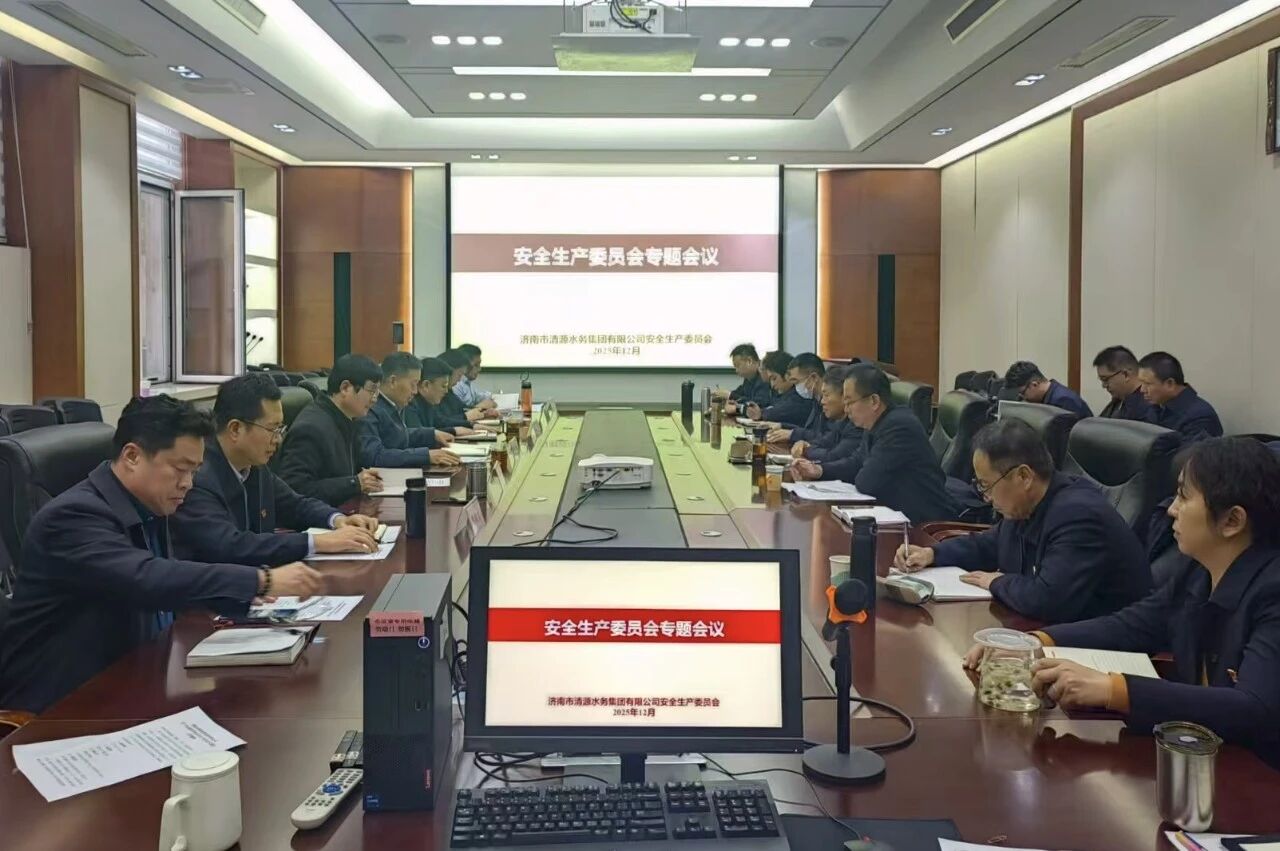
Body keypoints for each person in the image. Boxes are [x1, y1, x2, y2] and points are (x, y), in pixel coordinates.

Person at [965, 438, 1280, 769]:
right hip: (1201, 758)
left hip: (1260, 778)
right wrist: (1034, 643)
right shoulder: (1198, 572)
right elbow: (1134, 624)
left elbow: (1253, 709)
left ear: (1232, 521)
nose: (1171, 509)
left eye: (1183, 497)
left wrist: (1113, 689)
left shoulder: (1272, 592)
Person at [0, 395, 323, 713]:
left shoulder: (147, 505)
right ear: (132, 456)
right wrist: (260, 580)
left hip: (134, 681)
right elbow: (146, 578)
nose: (188, 484)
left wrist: (246, 600)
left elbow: (172, 578)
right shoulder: (72, 517)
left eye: (194, 471)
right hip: (59, 710)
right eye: (180, 469)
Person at [896, 418, 1151, 623]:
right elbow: (990, 544)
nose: (985, 497)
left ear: (1024, 477)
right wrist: (932, 554)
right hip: (1046, 629)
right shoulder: (1027, 504)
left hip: (1101, 648)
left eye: (986, 485)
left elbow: (1048, 600)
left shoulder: (1078, 516)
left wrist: (997, 581)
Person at [172, 374, 381, 567]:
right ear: (235, 429)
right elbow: (231, 546)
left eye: (280, 429)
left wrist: (337, 520)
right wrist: (317, 542)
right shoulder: (197, 476)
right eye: (272, 429)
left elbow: (295, 505)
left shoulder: (254, 466)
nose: (278, 439)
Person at [792, 364, 959, 523]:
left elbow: (866, 482)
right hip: (895, 515)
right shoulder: (876, 422)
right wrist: (819, 470)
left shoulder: (898, 427)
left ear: (874, 401)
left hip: (923, 525)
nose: (846, 409)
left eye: (850, 402)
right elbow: (856, 461)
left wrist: (856, 470)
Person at [275, 353, 385, 505]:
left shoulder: (347, 419)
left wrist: (364, 479)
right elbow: (295, 489)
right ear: (345, 388)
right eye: (371, 391)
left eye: (377, 392)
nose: (374, 399)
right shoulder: (310, 429)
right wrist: (354, 483)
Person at [361, 352, 462, 469]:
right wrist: (425, 455)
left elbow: (397, 436)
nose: (415, 391)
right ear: (393, 381)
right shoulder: (370, 408)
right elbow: (375, 456)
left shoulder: (392, 404)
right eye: (413, 384)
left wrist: (431, 434)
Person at [1138, 351, 1223, 442]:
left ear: (1170, 384)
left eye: (1147, 384)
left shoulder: (1200, 417)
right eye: (1141, 383)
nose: (1142, 390)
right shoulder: (1157, 406)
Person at [786, 365, 863, 462]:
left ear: (844, 396)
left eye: (826, 395)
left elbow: (832, 456)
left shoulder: (858, 425)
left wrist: (806, 450)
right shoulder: (842, 423)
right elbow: (822, 441)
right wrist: (805, 444)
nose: (822, 401)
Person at [406, 356, 478, 435]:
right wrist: (454, 430)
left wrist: (471, 425)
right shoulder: (409, 403)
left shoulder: (428, 402)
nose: (446, 391)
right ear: (426, 385)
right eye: (443, 386)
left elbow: (441, 422)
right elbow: (418, 434)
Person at [765, 354, 826, 445]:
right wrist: (782, 426)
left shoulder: (829, 402)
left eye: (796, 382)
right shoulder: (816, 400)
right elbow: (809, 430)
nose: (795, 387)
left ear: (814, 378)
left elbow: (826, 437)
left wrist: (792, 434)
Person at [1004, 361, 1093, 419]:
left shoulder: (1063, 401)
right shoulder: (1049, 397)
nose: (1023, 399)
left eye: (1022, 393)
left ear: (1034, 384)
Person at [745, 350, 811, 427]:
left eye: (774, 378)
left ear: (787, 375)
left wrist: (761, 413)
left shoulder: (801, 394)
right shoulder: (782, 393)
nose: (772, 385)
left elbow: (783, 410)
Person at [1092, 345, 1152, 421]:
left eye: (1105, 379)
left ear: (1126, 375)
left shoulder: (1148, 407)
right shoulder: (1119, 400)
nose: (1104, 385)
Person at [435, 349, 488, 428]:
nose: (460, 380)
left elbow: (462, 408)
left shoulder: (449, 391)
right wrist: (465, 417)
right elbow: (439, 422)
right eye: (459, 375)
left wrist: (483, 412)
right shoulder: (436, 393)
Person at [717, 343, 773, 415]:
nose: (736, 370)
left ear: (749, 361)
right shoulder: (749, 377)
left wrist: (730, 395)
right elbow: (741, 393)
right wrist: (726, 396)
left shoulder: (764, 374)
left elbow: (758, 404)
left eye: (737, 366)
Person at [453, 343, 497, 411]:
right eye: (476, 365)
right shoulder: (456, 385)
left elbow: (477, 397)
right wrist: (480, 407)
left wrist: (492, 398)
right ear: (464, 364)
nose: (479, 369)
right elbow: (456, 413)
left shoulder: (467, 382)